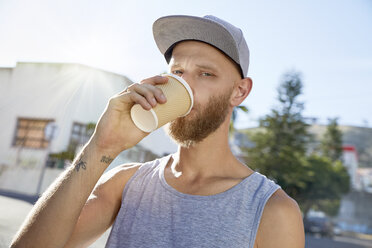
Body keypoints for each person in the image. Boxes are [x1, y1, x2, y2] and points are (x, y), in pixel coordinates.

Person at [11, 15, 304, 248]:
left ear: (239, 92)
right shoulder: (127, 183)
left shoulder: (272, 210)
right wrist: (100, 148)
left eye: (206, 74)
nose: (184, 85)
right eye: (177, 73)